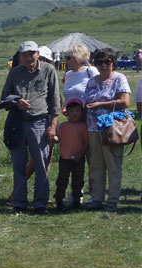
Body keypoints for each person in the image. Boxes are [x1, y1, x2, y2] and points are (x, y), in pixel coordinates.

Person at [1, 41, 60, 214]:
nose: (28, 57)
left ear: (37, 54)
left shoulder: (48, 70)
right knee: (18, 164)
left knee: (41, 164)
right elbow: (4, 97)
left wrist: (53, 125)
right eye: (25, 54)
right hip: (17, 122)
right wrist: (16, 102)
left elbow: (55, 100)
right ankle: (19, 202)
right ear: (20, 56)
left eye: (31, 53)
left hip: (40, 122)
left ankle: (40, 204)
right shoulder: (14, 73)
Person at [84, 48, 131, 212]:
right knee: (96, 164)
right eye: (100, 62)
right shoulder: (91, 81)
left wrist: (100, 105)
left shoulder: (119, 78)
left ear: (113, 63)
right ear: (95, 64)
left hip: (112, 128)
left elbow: (125, 101)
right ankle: (96, 198)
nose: (104, 65)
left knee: (113, 164)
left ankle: (113, 199)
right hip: (93, 127)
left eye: (107, 62)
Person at [52, 99, 88, 211]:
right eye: (71, 111)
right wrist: (53, 137)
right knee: (62, 180)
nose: (74, 114)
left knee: (78, 180)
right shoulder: (63, 126)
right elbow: (59, 138)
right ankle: (59, 200)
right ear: (66, 113)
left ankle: (76, 201)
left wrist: (80, 154)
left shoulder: (83, 127)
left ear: (81, 112)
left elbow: (87, 143)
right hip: (65, 158)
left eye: (77, 111)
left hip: (79, 158)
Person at [62, 45, 99, 109]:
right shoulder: (68, 74)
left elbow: (101, 91)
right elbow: (70, 94)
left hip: (88, 114)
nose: (66, 61)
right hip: (73, 115)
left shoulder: (90, 71)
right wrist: (65, 107)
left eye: (68, 58)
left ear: (78, 58)